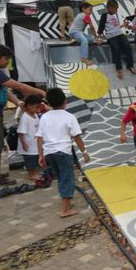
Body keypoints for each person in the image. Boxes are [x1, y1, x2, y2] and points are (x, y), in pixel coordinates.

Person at [0, 45, 46, 186]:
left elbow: (4, 90)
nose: (7, 63)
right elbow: (18, 86)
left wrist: (18, 102)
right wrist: (41, 92)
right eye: (5, 59)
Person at [36, 88, 90, 218]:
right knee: (67, 178)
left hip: (50, 153)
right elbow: (77, 136)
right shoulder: (69, 117)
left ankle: (67, 203)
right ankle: (65, 210)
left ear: (48, 102)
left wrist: (41, 155)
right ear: (65, 102)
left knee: (61, 177)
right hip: (63, 153)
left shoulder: (44, 117)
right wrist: (84, 152)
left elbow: (39, 137)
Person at [98, 0, 136, 79]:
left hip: (119, 34)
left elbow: (116, 27)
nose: (116, 10)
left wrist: (123, 25)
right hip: (111, 37)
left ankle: (130, 65)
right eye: (115, 9)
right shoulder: (105, 15)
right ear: (109, 8)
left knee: (127, 45)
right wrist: (100, 38)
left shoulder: (113, 17)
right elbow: (101, 27)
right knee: (116, 48)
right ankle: (119, 69)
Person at [17, 95, 45, 182]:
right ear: (28, 106)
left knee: (35, 158)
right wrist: (24, 143)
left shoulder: (35, 115)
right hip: (28, 144)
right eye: (36, 107)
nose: (38, 110)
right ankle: (31, 174)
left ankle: (35, 172)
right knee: (30, 160)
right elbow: (21, 133)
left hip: (35, 143)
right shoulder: (25, 118)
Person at [68, 2, 102, 66]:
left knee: (91, 38)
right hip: (75, 32)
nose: (91, 12)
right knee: (84, 40)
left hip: (76, 33)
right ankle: (84, 58)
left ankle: (76, 40)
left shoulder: (79, 14)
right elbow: (92, 27)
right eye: (90, 10)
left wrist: (95, 38)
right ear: (83, 9)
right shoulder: (85, 15)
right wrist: (97, 38)